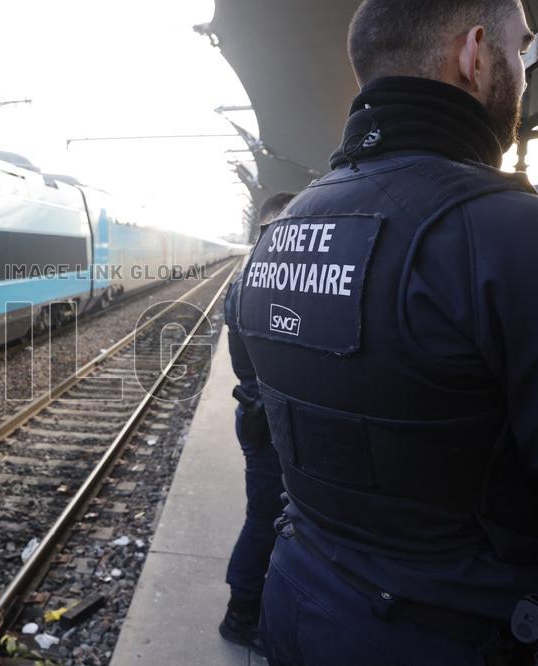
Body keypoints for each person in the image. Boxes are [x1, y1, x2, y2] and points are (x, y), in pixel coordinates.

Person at [236, 1, 538, 664]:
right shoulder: (510, 235)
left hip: (298, 606)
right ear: (475, 53)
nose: (522, 69)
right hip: (451, 637)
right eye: (520, 51)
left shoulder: (280, 232)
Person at [219, 192, 296, 654]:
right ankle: (240, 614)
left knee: (267, 515)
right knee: (263, 517)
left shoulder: (248, 275)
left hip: (258, 415)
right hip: (264, 420)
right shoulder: (258, 282)